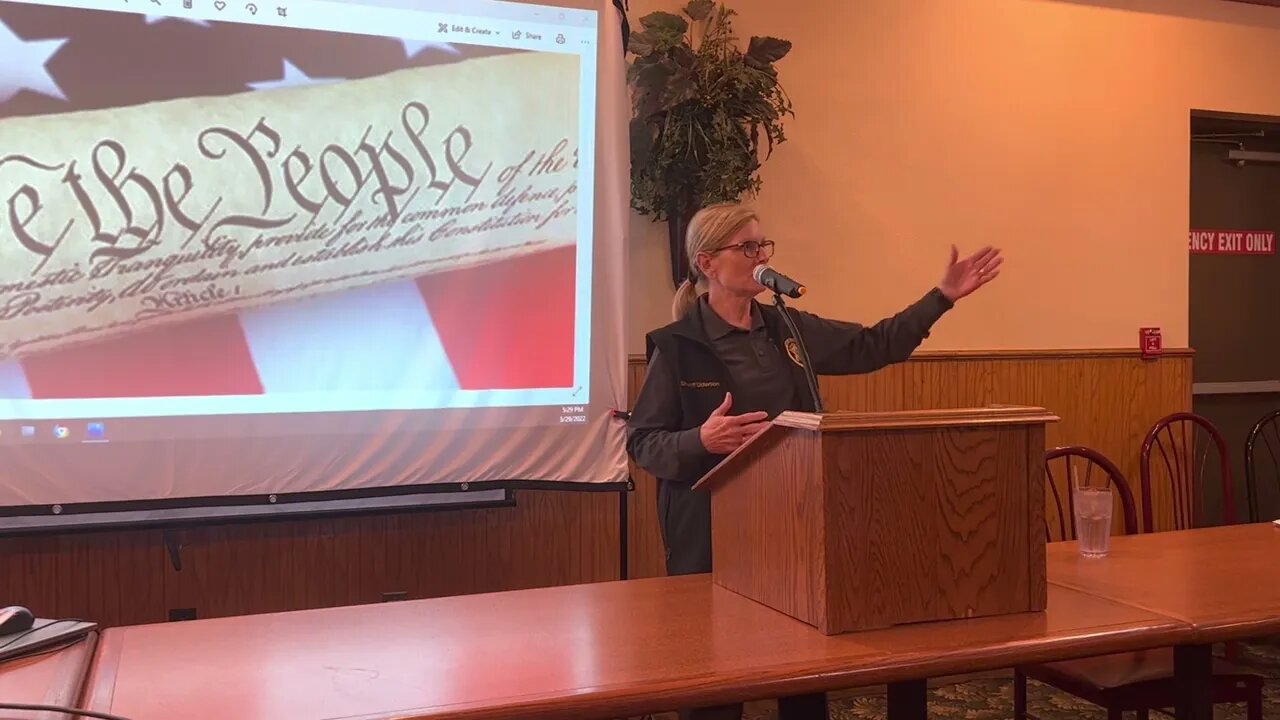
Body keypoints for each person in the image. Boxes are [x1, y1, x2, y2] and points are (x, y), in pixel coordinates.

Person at [625, 202, 1001, 720]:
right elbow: (644, 444)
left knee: (803, 669)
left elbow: (874, 345)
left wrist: (941, 298)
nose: (760, 256)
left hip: (794, 524)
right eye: (748, 248)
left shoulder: (788, 330)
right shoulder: (678, 346)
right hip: (712, 532)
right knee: (713, 678)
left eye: (763, 246)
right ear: (708, 263)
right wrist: (700, 440)